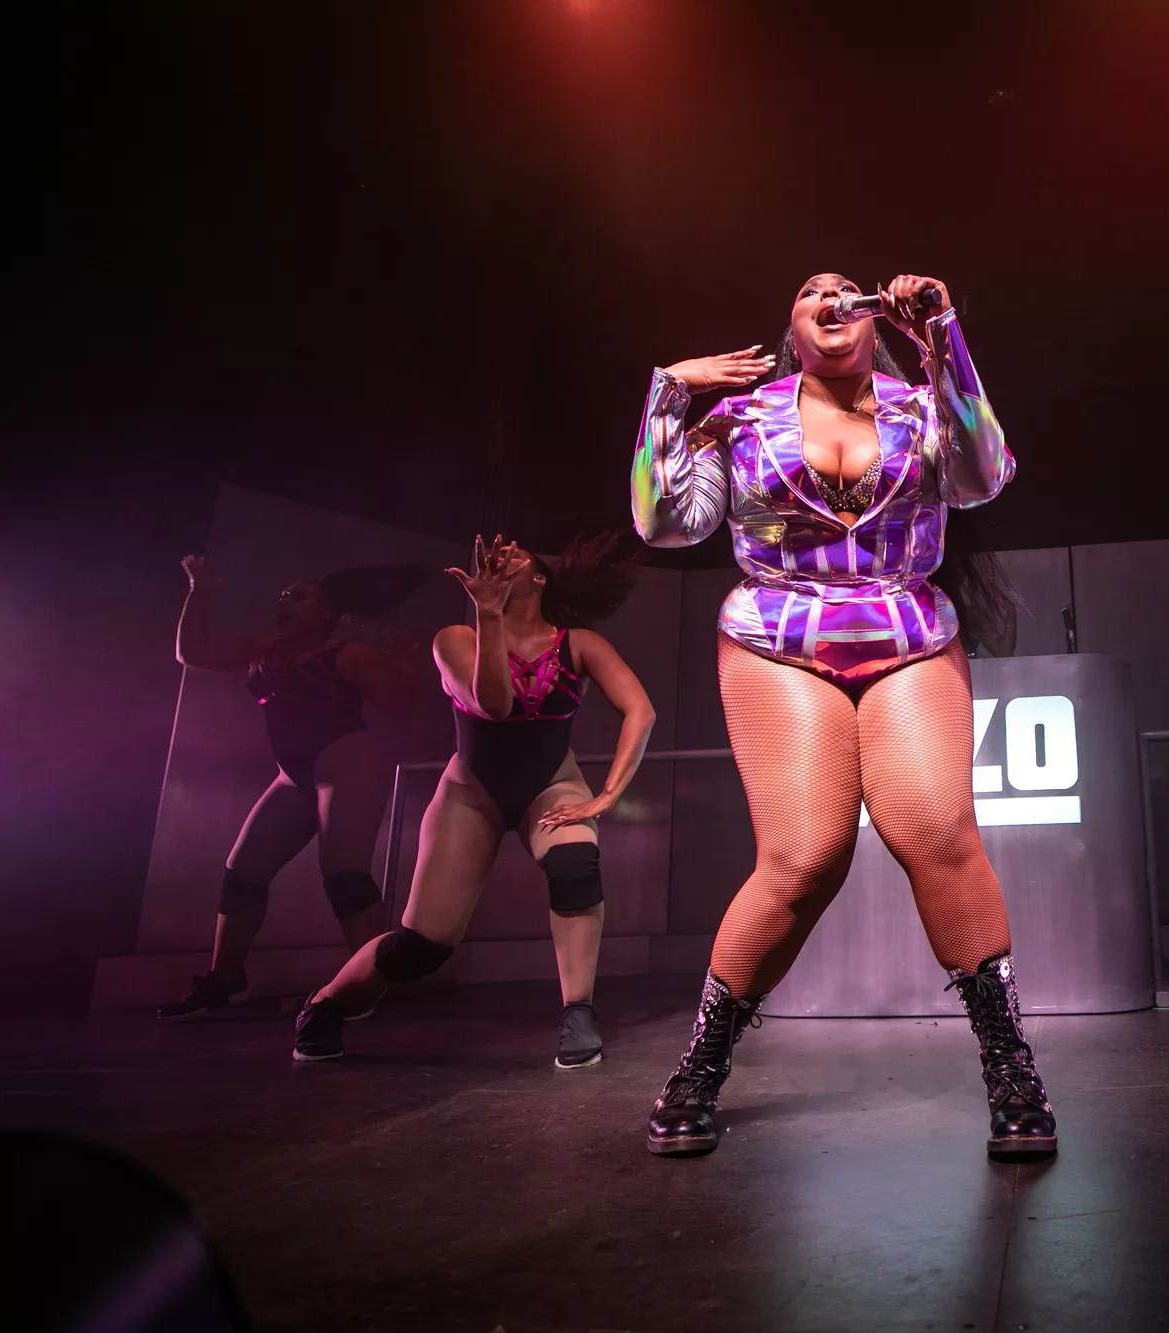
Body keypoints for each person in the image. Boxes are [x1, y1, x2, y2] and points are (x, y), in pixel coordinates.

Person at [630, 271, 1055, 1159]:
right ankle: (701, 1063)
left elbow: (982, 477)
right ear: (793, 329)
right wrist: (668, 395)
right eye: (809, 291)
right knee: (803, 858)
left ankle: (1011, 1067)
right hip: (778, 636)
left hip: (907, 629)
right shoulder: (743, 417)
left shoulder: (921, 405)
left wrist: (943, 336)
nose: (831, 297)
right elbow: (667, 523)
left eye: (847, 289)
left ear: (871, 323)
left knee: (939, 833)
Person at [291, 533, 656, 1066]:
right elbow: (495, 706)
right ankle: (328, 1003)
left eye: (516, 556)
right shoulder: (455, 639)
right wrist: (488, 615)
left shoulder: (579, 644)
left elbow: (641, 711)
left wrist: (606, 796)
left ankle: (578, 1011)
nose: (502, 560)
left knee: (576, 863)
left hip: (551, 784)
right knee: (422, 947)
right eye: (494, 557)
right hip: (471, 794)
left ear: (540, 577)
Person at [160, 557, 425, 1019]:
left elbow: (399, 709)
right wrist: (199, 590)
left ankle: (374, 984)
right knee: (242, 875)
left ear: (325, 611)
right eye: (283, 594)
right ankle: (226, 982)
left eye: (298, 595)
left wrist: (407, 665)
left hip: (348, 762)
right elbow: (192, 652)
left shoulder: (350, 654)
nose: (284, 600)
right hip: (293, 773)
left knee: (344, 877)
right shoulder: (265, 649)